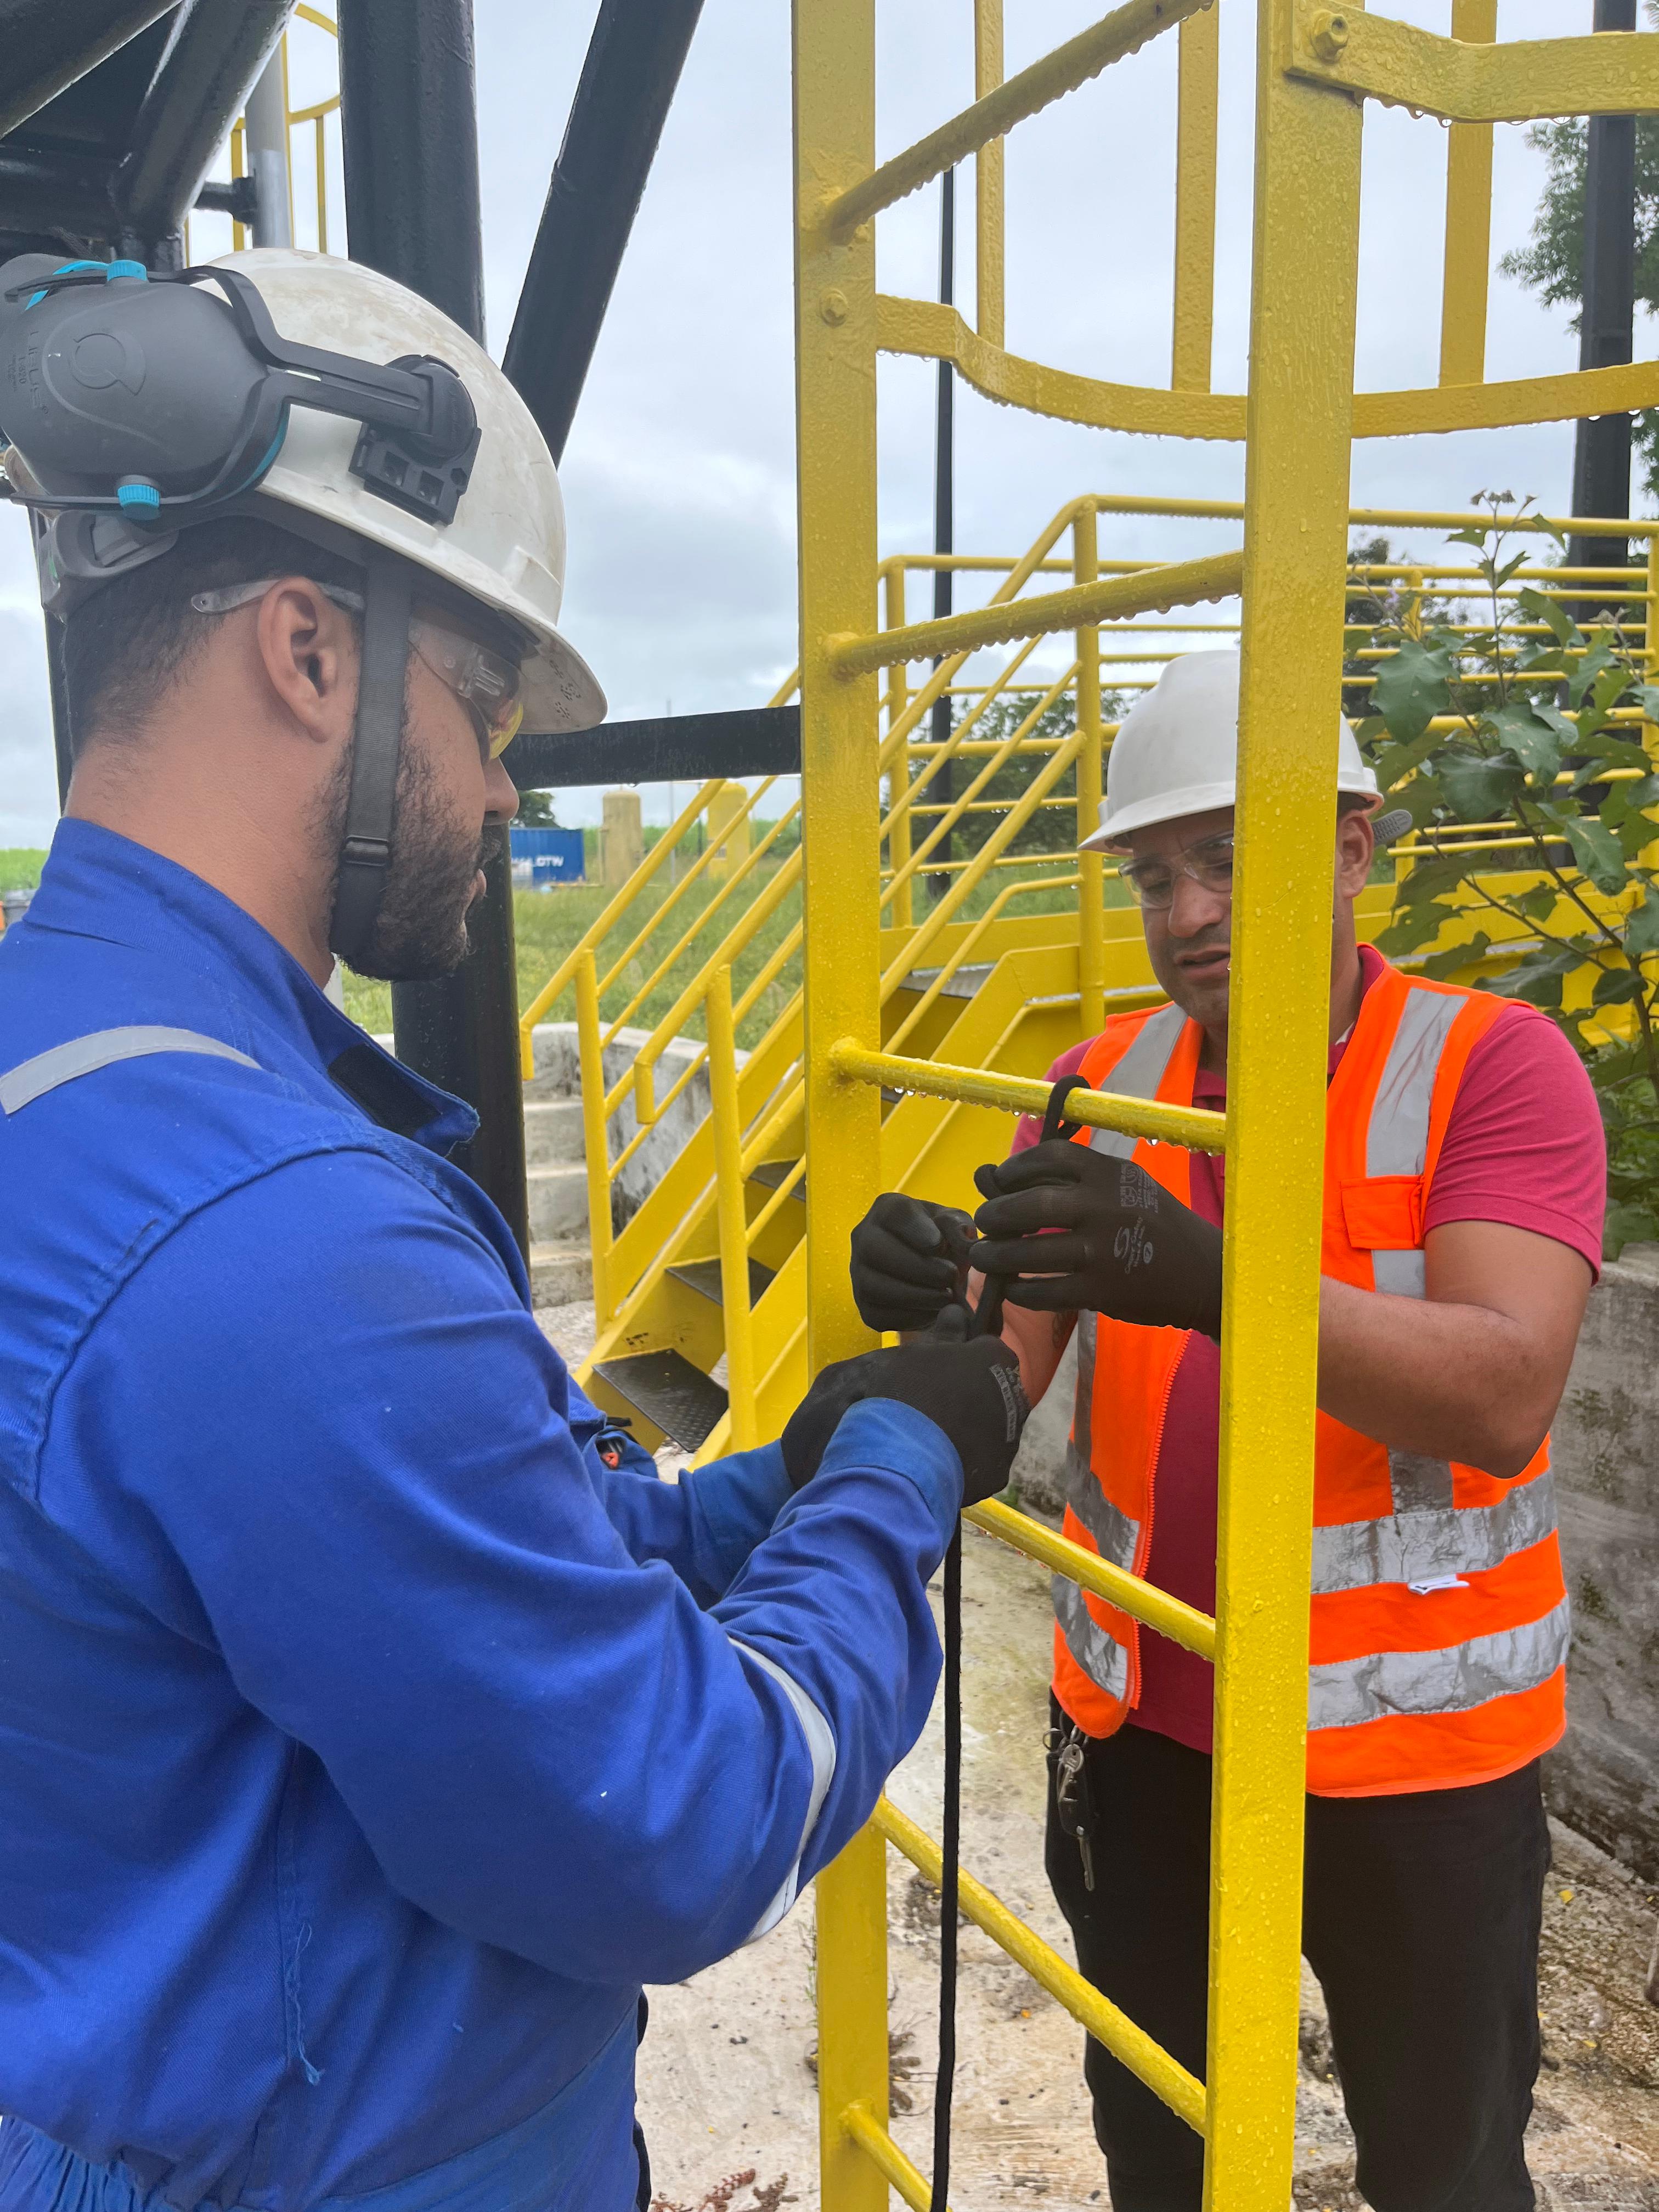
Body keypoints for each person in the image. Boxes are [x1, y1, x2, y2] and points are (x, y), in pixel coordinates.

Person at [0, 249, 1027, 2212]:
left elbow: (398, 1572)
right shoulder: (276, 1243)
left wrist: (769, 1481)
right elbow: (668, 1820)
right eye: (483, 709)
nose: (495, 784)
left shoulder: (60, 1075)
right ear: (308, 649)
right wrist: (899, 1480)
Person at [847, 650, 1606, 2212]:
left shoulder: (1489, 1067)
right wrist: (935, 1319)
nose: (1187, 914)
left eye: (1228, 861)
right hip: (1148, 1733)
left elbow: (1505, 1386)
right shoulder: (1098, 1083)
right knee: (1158, 2144)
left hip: (1414, 1760)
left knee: (1446, 2163)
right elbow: (1003, 1385)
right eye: (1155, 874)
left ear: (1350, 842)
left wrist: (1211, 1280)